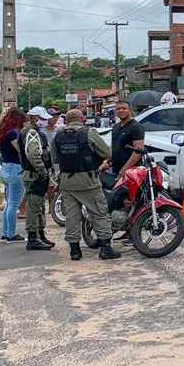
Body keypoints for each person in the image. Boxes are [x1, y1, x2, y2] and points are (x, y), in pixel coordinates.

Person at [51, 109, 120, 261]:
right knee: (99, 213)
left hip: (67, 182)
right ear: (82, 118)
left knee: (72, 216)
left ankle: (75, 251)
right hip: (88, 181)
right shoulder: (89, 133)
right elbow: (107, 153)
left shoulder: (58, 137)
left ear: (67, 120)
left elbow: (55, 158)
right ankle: (105, 248)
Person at [108, 100, 145, 245]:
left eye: (124, 108)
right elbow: (116, 149)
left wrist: (125, 168)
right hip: (118, 171)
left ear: (130, 110)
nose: (121, 111)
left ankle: (133, 234)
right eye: (118, 109)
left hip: (132, 173)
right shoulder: (116, 127)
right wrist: (108, 162)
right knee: (121, 203)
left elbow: (138, 152)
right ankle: (127, 231)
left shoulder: (136, 127)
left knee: (133, 203)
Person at [19, 107, 55, 251]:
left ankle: (40, 235)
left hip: (34, 174)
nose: (46, 121)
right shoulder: (32, 133)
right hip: (35, 175)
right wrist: (42, 171)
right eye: (43, 119)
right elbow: (34, 155)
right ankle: (33, 238)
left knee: (39, 206)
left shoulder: (30, 132)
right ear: (35, 118)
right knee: (34, 207)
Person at [0, 108, 27, 242]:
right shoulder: (13, 134)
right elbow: (20, 150)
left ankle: (6, 232)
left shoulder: (3, 133)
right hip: (15, 169)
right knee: (14, 205)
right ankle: (11, 234)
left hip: (6, 168)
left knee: (9, 204)